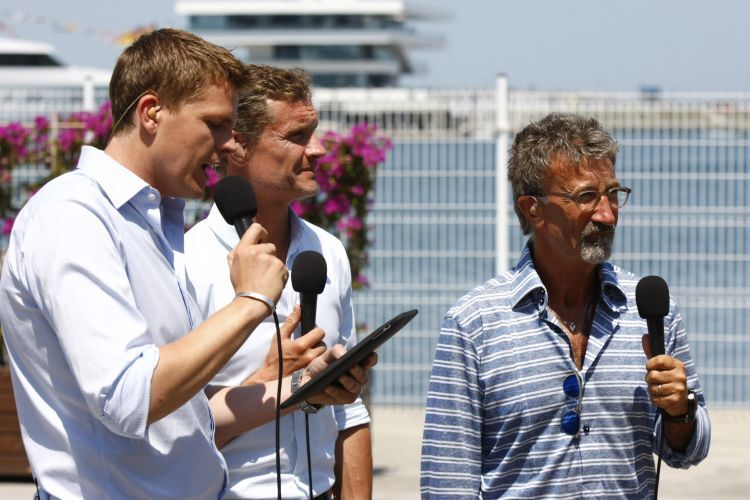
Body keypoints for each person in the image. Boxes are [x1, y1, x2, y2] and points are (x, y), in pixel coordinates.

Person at [0, 29, 370, 499]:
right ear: (152, 113)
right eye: (214, 124)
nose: (226, 146)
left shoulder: (151, 225)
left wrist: (299, 386)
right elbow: (129, 398)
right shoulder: (73, 215)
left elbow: (186, 421)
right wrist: (251, 301)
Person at [420, 113, 711, 498]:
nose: (607, 214)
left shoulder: (650, 309)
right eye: (586, 196)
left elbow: (689, 450)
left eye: (613, 194)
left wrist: (681, 410)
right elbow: (448, 480)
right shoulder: (475, 323)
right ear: (532, 209)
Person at [185, 65, 373, 499]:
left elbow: (350, 414)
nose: (320, 149)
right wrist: (271, 377)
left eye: (316, 131)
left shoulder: (329, 252)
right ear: (236, 144)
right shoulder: (186, 262)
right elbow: (168, 438)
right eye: (297, 136)